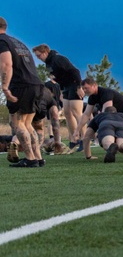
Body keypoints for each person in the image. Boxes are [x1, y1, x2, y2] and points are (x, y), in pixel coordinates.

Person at [1, 18, 46, 168]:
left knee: (16, 122)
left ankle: (30, 159)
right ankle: (38, 158)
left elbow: (6, 64)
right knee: (27, 123)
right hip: (36, 84)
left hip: (21, 85)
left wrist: (5, 86)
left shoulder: (2, 42)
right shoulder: (17, 42)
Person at [32, 43, 83, 151]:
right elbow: (58, 78)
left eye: (39, 55)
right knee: (68, 114)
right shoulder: (48, 64)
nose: (38, 58)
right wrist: (61, 91)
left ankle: (84, 139)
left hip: (74, 84)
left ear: (45, 52)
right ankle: (75, 139)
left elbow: (75, 71)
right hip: (65, 88)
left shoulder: (58, 59)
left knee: (76, 112)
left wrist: (79, 87)